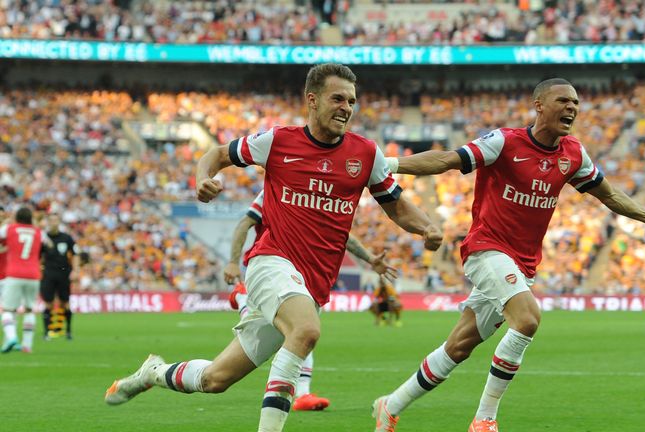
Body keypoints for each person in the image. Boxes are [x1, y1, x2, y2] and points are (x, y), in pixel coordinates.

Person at [104, 63, 443, 432]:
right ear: (312, 101)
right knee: (307, 331)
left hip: (311, 284)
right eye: (338, 98)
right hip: (272, 263)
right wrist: (204, 178)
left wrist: (425, 226)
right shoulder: (278, 141)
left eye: (352, 101)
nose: (347, 107)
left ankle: (153, 372)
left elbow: (396, 205)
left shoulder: (366, 154)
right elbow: (216, 154)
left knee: (217, 379)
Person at [372, 78, 645, 432]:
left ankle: (390, 406)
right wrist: (388, 164)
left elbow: (609, 196)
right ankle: (485, 419)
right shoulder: (504, 142)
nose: (572, 108)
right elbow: (446, 159)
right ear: (539, 106)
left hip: (523, 263)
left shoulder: (573, 154)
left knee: (458, 346)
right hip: (486, 249)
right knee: (528, 318)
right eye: (563, 100)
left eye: (576, 103)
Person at [223, 191, 398, 411]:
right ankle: (241, 297)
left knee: (301, 330)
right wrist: (232, 262)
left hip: (307, 270)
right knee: (298, 327)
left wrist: (370, 259)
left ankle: (303, 394)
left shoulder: (325, 189)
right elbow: (245, 222)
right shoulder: (277, 185)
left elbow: (342, 234)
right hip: (273, 264)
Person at [0, 207, 51, 353]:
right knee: (29, 309)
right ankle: (27, 345)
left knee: (8, 309)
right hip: (33, 275)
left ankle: (12, 338)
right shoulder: (38, 232)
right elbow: (49, 245)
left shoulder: (9, 228)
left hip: (14, 273)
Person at [40, 213, 79, 340]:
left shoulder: (66, 238)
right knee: (48, 303)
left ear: (59, 222)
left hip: (64, 274)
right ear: (47, 222)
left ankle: (68, 331)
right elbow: (36, 256)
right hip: (48, 274)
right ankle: (47, 332)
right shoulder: (43, 238)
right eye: (51, 220)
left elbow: (75, 254)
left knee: (65, 303)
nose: (53, 223)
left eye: (56, 220)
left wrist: (76, 270)